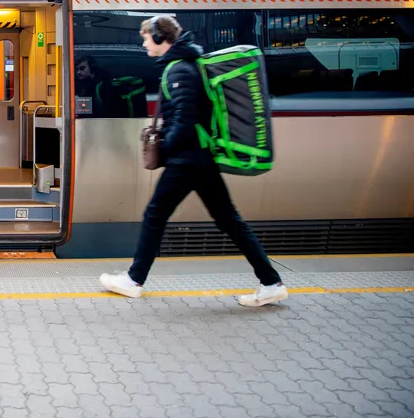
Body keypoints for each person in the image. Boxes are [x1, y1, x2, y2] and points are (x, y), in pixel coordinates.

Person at [99, 15, 288, 307]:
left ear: (162, 39)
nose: (144, 42)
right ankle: (271, 282)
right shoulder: (185, 66)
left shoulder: (179, 72)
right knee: (229, 220)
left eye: (147, 37)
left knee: (155, 215)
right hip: (200, 159)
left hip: (188, 160)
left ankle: (134, 280)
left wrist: (167, 149)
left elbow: (185, 120)